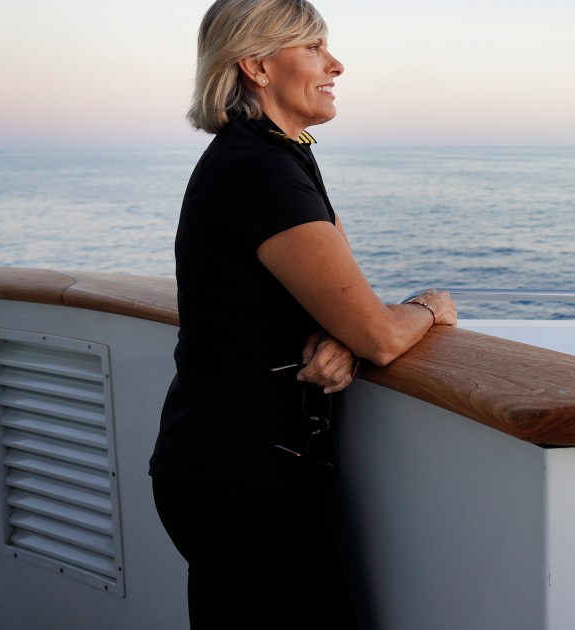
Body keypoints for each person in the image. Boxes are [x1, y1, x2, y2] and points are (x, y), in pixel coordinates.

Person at [148, 0, 456, 627]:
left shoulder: (278, 155)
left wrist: (339, 333)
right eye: (314, 47)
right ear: (257, 65)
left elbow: (338, 299)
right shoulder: (261, 171)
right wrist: (429, 306)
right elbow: (379, 335)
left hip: (232, 465)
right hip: (239, 481)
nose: (336, 64)